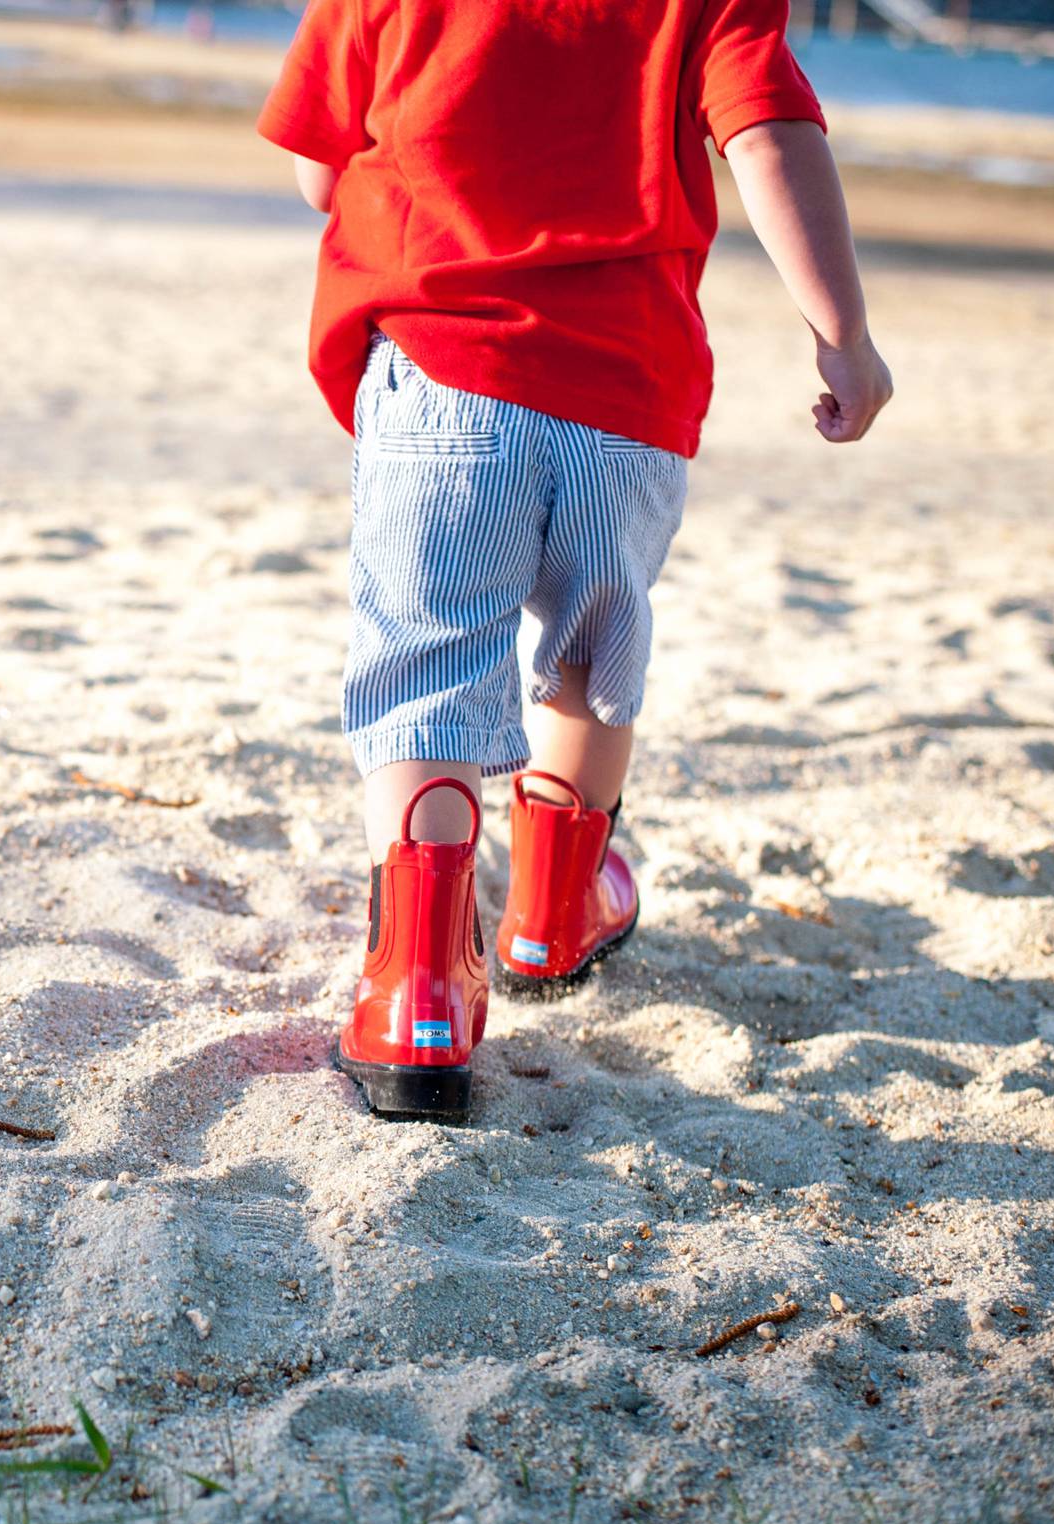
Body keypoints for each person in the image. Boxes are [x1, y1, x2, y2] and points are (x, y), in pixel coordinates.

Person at [259, 0, 892, 1120]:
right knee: (591, 646)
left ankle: (419, 986)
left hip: (443, 365)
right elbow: (767, 133)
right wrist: (840, 329)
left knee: (430, 661)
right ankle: (552, 914)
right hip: (626, 395)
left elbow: (320, 170)